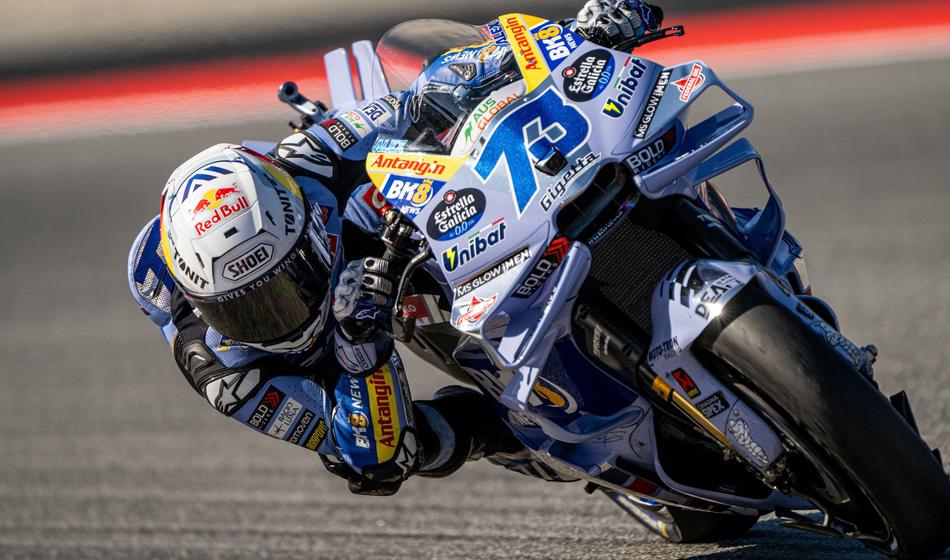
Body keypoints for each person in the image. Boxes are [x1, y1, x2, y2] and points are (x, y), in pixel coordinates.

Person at [128, 0, 665, 497]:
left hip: (366, 243)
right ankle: (511, 436)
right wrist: (358, 344)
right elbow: (370, 457)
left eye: (285, 289)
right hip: (347, 354)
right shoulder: (227, 373)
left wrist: (572, 38)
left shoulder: (309, 160)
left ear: (307, 233)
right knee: (391, 458)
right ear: (200, 299)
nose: (274, 319)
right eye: (243, 310)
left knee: (442, 135)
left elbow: (428, 92)